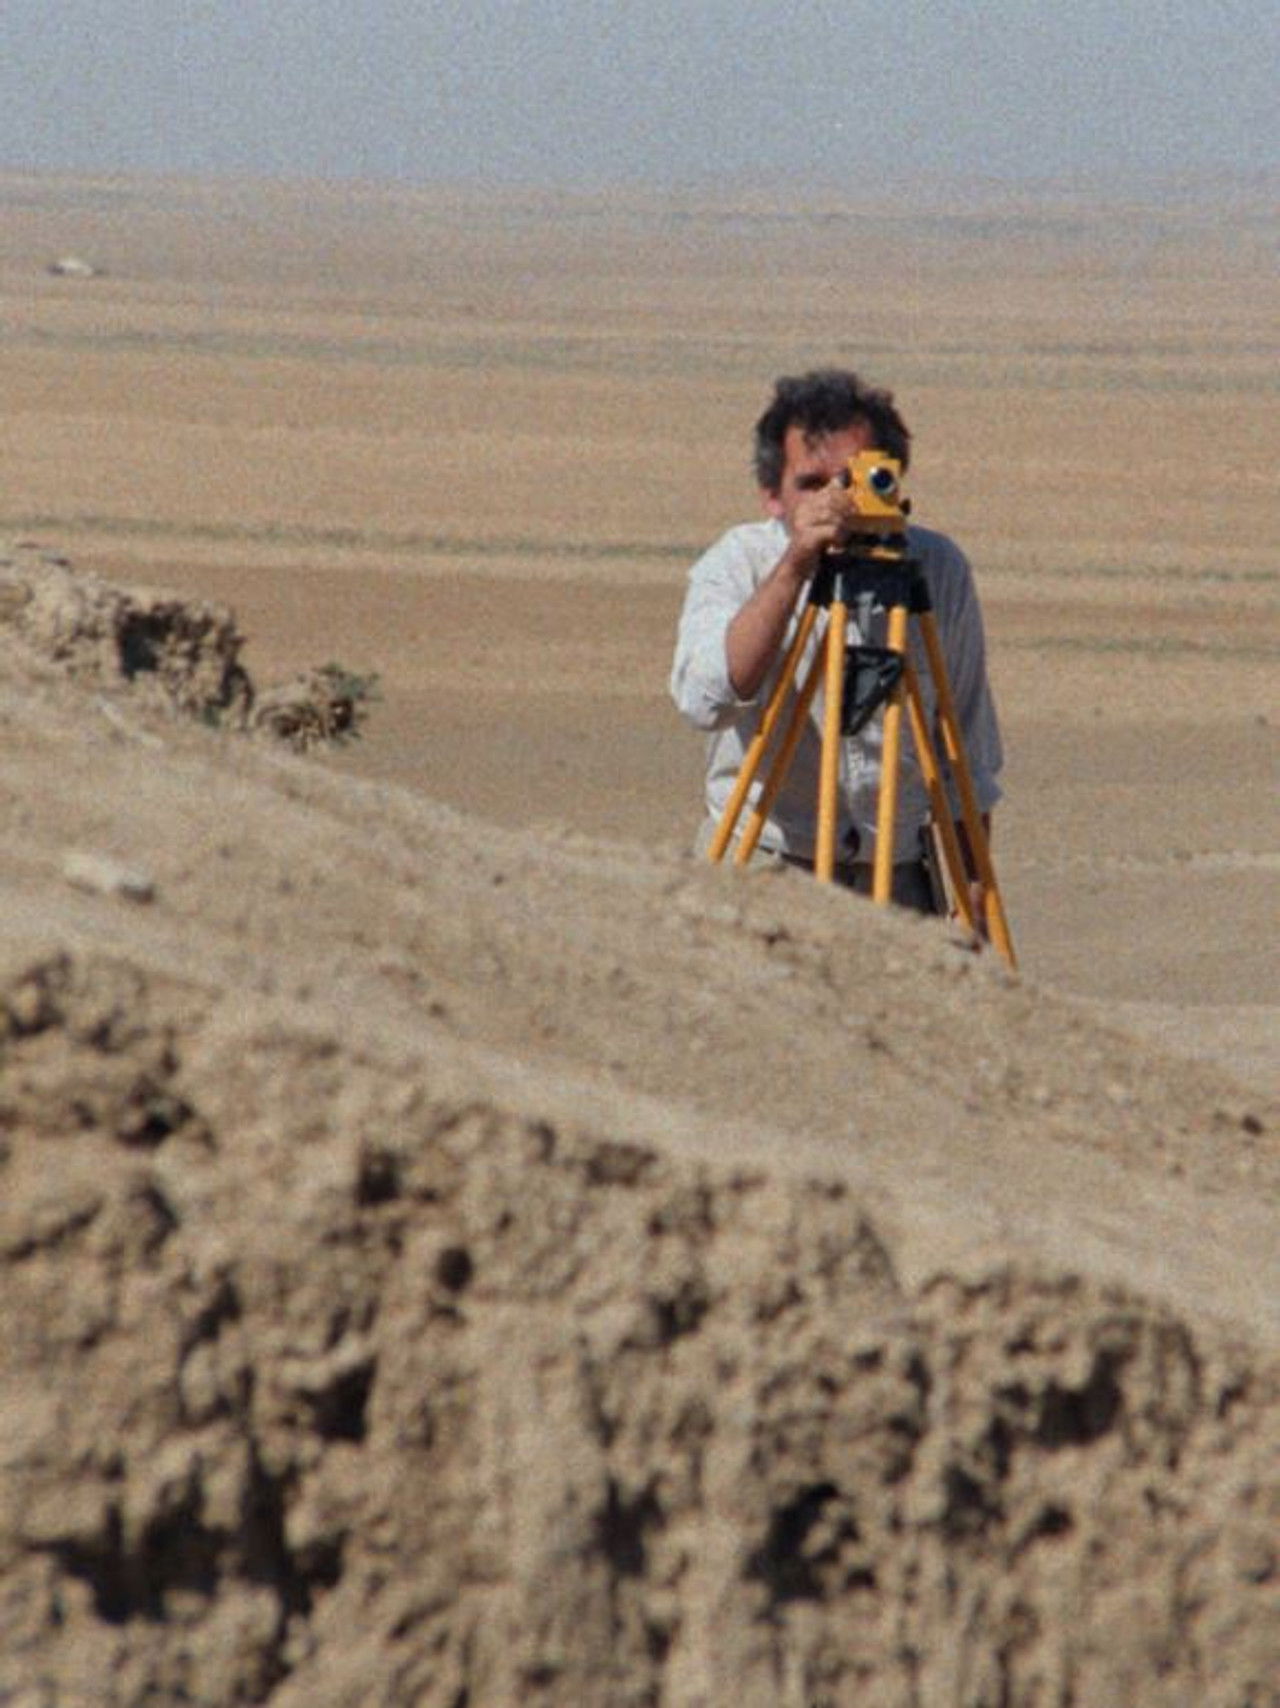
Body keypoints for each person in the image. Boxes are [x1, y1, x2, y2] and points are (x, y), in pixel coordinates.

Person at [670, 368, 1003, 914]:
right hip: (764, 865)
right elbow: (706, 699)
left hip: (894, 875)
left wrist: (974, 915)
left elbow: (965, 757)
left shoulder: (936, 571)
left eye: (856, 480)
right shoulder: (738, 562)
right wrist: (795, 567)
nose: (836, 502)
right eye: (812, 483)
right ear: (771, 495)